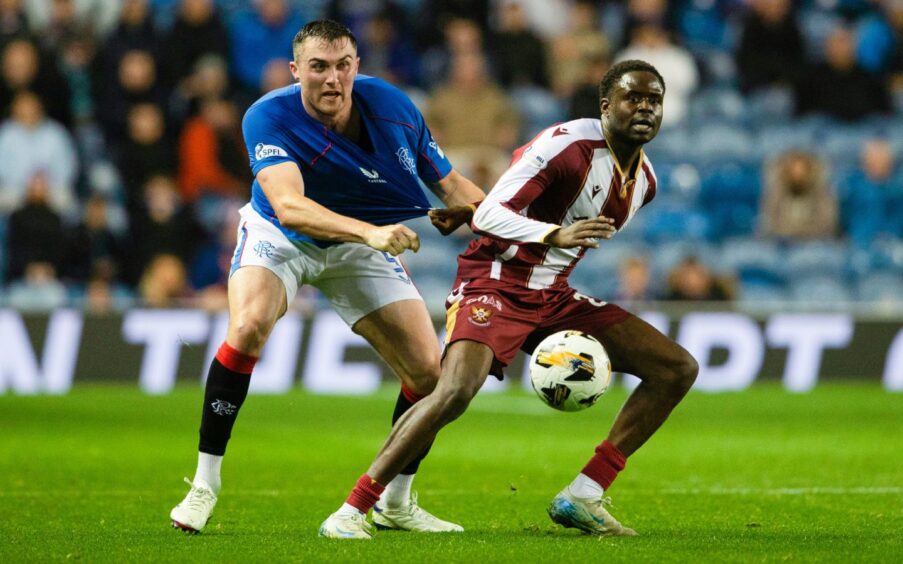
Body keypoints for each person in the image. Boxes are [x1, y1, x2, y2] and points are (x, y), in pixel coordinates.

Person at [323, 59, 699, 539]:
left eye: (654, 100)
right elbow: (491, 217)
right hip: (495, 282)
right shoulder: (567, 144)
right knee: (455, 390)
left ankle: (584, 494)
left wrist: (497, 218)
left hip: (553, 295)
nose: (645, 108)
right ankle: (353, 508)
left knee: (676, 368)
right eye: (634, 98)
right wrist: (553, 234)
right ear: (606, 106)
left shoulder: (644, 182)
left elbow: (505, 207)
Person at [169, 19, 486, 536]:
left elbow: (450, 184)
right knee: (248, 326)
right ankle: (204, 485)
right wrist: (371, 232)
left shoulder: (393, 107)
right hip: (282, 238)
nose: (332, 79)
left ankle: (396, 502)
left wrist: (514, 224)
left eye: (343, 66)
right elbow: (290, 207)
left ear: (357, 67)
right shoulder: (267, 115)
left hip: (358, 245)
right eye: (318, 67)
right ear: (296, 72)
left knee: (430, 375)